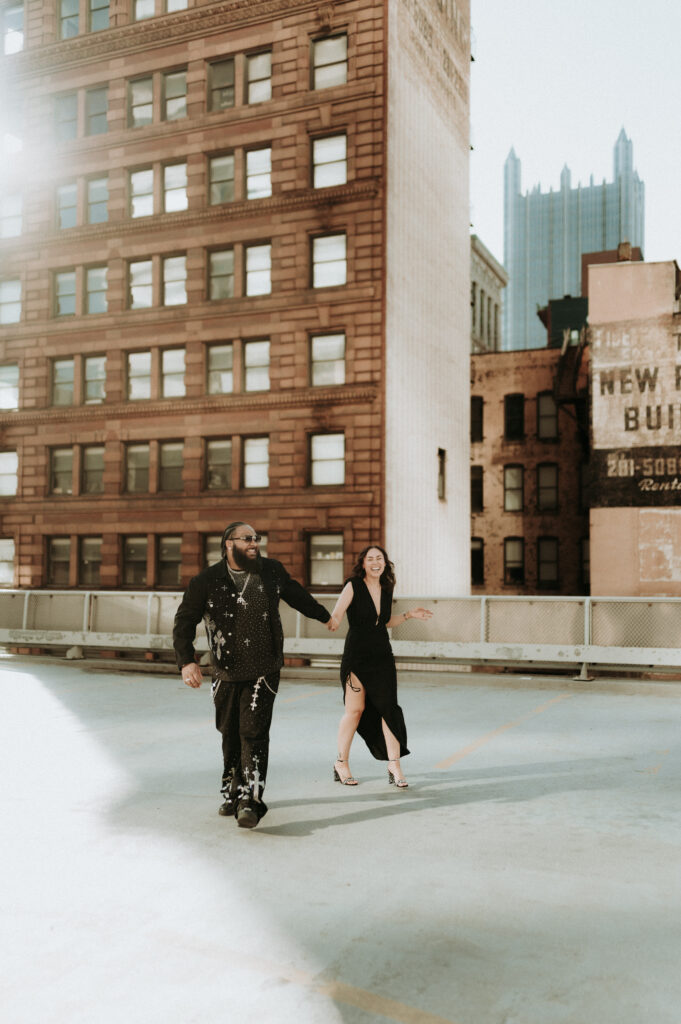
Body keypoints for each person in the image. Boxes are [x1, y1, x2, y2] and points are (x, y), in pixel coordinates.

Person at [173, 522, 331, 829]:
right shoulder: (206, 580)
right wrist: (186, 661)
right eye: (247, 539)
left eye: (256, 539)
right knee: (229, 733)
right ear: (228, 544)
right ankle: (233, 793)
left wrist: (325, 616)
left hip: (264, 668)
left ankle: (251, 800)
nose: (254, 543)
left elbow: (298, 596)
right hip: (224, 670)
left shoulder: (271, 571)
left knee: (253, 732)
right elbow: (184, 621)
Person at [327, 545, 432, 788]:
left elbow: (383, 621)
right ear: (363, 564)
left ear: (385, 563)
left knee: (388, 709)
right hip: (357, 656)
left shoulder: (386, 587)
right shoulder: (353, 585)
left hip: (382, 655)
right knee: (355, 710)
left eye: (380, 558)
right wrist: (330, 621)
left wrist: (408, 615)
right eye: (370, 559)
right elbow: (337, 614)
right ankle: (341, 763)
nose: (376, 562)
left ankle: (394, 765)